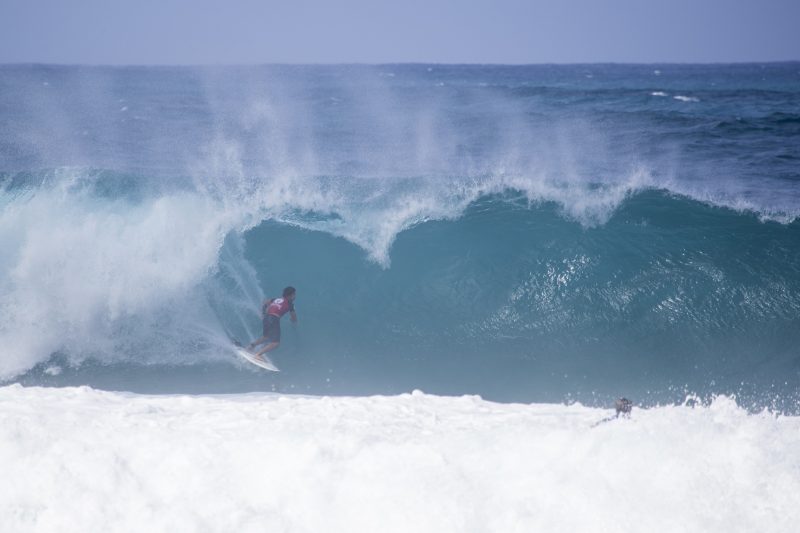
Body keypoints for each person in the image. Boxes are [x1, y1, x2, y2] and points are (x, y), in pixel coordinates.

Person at [247, 286, 297, 361]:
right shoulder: (290, 304)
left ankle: (250, 347)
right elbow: (294, 318)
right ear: (289, 295)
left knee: (266, 337)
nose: (295, 296)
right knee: (275, 343)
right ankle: (258, 355)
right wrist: (293, 321)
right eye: (294, 295)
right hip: (274, 319)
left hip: (267, 317)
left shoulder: (276, 299)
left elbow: (265, 302)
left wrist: (263, 313)